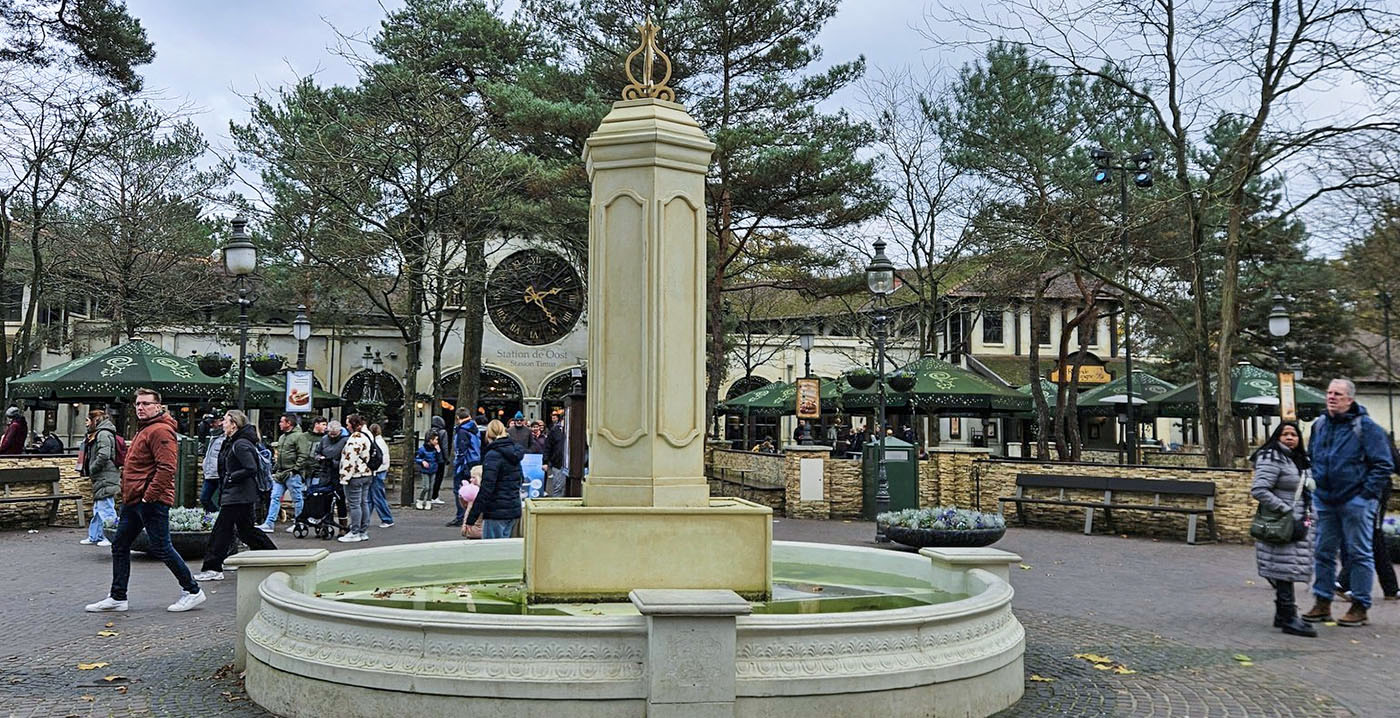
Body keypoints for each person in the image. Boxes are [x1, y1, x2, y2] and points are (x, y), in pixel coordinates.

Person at [85, 388, 205, 613]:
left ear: (158, 406)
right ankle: (118, 596)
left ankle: (193, 590)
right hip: (134, 499)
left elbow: (167, 468)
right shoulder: (146, 428)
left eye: (146, 404)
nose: (141, 407)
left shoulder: (160, 430)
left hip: (150, 500)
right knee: (120, 545)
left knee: (162, 546)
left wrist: (149, 497)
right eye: (138, 404)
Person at [1301, 378, 1393, 627]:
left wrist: (1365, 496)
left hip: (1356, 501)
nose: (1331, 397)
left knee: (1359, 554)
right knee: (1323, 552)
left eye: (1338, 394)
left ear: (1349, 400)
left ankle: (1360, 605)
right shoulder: (1319, 425)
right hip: (1326, 500)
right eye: (1329, 393)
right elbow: (1313, 458)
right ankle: (1322, 602)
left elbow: (1384, 464)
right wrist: (1316, 487)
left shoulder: (1367, 428)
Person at [193, 411, 278, 581]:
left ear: (234, 424)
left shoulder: (240, 444)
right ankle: (273, 558)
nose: (222, 423)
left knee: (221, 531)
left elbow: (251, 468)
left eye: (225, 420)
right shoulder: (233, 442)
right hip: (238, 494)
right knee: (246, 531)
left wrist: (232, 477)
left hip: (238, 495)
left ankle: (213, 567)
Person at [1250, 421, 1317, 637]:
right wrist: (1285, 510)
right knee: (1284, 568)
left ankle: (1282, 615)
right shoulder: (1272, 457)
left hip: (1298, 521)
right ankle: (1289, 617)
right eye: (1285, 434)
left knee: (1285, 567)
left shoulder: (1298, 460)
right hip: (1282, 522)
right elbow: (1259, 489)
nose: (1290, 438)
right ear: (1276, 437)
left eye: (1294, 434)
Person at [1338, 441, 1400, 601]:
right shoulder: (1375, 435)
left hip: (1355, 489)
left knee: (1374, 537)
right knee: (1370, 536)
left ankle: (1391, 588)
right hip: (1374, 489)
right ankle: (1342, 582)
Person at [467, 420, 523, 539]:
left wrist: (472, 517)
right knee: (504, 550)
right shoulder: (515, 453)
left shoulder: (493, 455)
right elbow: (520, 480)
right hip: (512, 508)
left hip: (496, 511)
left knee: (492, 551)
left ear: (489, 434)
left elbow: (487, 488)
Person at [259, 415, 310, 533]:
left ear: (289, 423)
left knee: (297, 498)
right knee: (275, 497)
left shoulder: (299, 437)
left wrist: (296, 469)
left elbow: (303, 455)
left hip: (292, 473)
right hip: (281, 472)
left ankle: (299, 522)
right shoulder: (282, 437)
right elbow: (280, 455)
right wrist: (275, 469)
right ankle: (269, 523)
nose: (279, 424)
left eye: (282, 422)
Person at [78, 409, 120, 547]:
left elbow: (104, 455)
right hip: (102, 475)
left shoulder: (103, 434)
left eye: (87, 420)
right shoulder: (98, 433)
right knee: (98, 508)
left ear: (95, 420)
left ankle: (112, 537)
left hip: (105, 475)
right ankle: (95, 536)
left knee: (106, 507)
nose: (85, 424)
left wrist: (92, 468)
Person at [338, 414, 374, 543]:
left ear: (353, 425)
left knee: (354, 505)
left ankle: (354, 532)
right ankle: (363, 531)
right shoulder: (367, 435)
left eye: (348, 423)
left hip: (355, 475)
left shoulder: (355, 438)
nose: (346, 426)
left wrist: (344, 478)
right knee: (363, 502)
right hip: (366, 474)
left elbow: (350, 459)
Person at [315, 419, 349, 532]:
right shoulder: (324, 439)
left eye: (335, 434)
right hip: (325, 473)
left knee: (340, 500)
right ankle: (324, 523)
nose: (332, 436)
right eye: (330, 433)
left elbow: (347, 459)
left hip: (338, 474)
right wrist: (319, 458)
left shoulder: (345, 441)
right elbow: (317, 452)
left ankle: (343, 526)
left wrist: (334, 462)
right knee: (324, 499)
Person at [449, 407, 482, 527]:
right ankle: (471, 515)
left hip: (464, 464)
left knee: (460, 490)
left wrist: (458, 465)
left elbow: (461, 450)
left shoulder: (462, 431)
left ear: (457, 418)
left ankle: (461, 516)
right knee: (473, 490)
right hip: (474, 462)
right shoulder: (474, 428)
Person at [366, 423, 394, 528]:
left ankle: (387, 519)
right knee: (372, 497)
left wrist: (374, 469)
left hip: (377, 472)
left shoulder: (376, 443)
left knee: (377, 497)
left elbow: (380, 459)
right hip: (380, 471)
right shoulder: (380, 442)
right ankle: (365, 519)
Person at [199, 414, 226, 515]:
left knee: (222, 501)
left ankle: (219, 520)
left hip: (219, 474)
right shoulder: (212, 436)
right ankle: (213, 518)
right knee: (204, 499)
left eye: (214, 422)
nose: (211, 425)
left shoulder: (224, 438)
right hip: (210, 473)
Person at [541, 413, 567, 498]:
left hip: (572, 464)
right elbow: (547, 446)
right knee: (558, 487)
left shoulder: (575, 430)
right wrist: (545, 461)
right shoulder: (554, 431)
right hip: (558, 463)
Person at [428, 415, 451, 505]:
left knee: (430, 477)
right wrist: (446, 458)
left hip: (430, 457)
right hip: (440, 458)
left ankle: (428, 496)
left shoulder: (429, 432)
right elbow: (444, 447)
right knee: (438, 478)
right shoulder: (443, 432)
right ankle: (435, 496)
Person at [415, 434, 440, 510]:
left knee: (431, 487)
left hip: (433, 469)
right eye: (436, 439)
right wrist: (422, 461)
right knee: (426, 487)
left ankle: (429, 501)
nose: (437, 441)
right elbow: (417, 458)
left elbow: (439, 459)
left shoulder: (436, 449)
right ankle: (420, 500)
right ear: (431, 440)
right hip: (425, 470)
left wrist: (439, 451)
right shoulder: (422, 449)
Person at [458, 464, 483, 539]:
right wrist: (462, 497)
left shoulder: (483, 494)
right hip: (471, 529)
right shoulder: (472, 491)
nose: (471, 480)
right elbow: (466, 507)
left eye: (473, 477)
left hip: (476, 529)